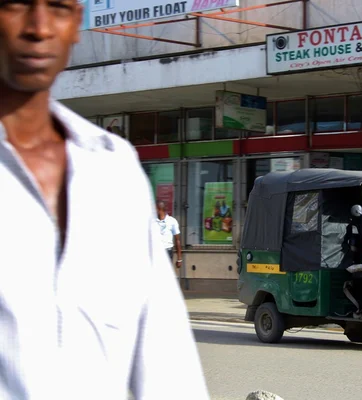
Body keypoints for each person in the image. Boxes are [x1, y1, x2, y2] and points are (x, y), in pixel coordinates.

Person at [0, 2, 209, 398]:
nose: (39, 27)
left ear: (77, 24)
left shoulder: (113, 168)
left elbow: (165, 357)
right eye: (17, 5)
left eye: (59, 7)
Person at [156, 200, 183, 268]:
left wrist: (179, 259)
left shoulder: (172, 221)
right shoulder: (152, 221)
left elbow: (177, 240)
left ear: (159, 209)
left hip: (167, 251)